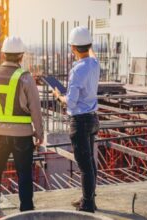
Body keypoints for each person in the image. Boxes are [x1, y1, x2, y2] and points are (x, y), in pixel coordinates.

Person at [0, 36, 44, 216]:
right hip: (22, 135)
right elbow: (35, 108)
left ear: (3, 54)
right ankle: (26, 210)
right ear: (21, 56)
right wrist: (39, 133)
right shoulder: (25, 77)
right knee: (24, 173)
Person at [53, 26, 100, 213]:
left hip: (79, 121)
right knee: (90, 162)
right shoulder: (95, 64)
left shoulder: (77, 70)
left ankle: (87, 205)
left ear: (73, 48)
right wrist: (88, 44)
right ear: (89, 46)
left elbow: (70, 103)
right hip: (92, 119)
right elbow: (92, 54)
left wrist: (58, 95)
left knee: (84, 165)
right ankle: (88, 198)